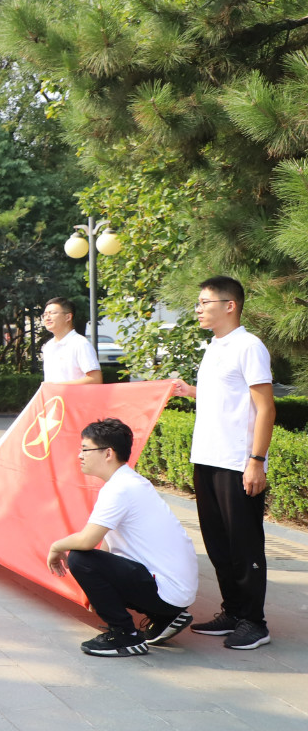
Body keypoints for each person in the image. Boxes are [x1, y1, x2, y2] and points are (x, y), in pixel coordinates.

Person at [170, 275, 276, 650]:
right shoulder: (215, 346)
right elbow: (226, 396)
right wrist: (189, 391)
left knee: (244, 545)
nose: (198, 309)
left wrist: (256, 461)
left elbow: (266, 408)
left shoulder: (249, 346)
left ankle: (254, 622)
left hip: (237, 462)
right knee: (218, 544)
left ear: (229, 306)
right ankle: (232, 612)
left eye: (205, 302)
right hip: (207, 458)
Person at [46, 418, 199, 656]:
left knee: (79, 558)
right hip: (175, 590)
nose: (79, 455)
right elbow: (105, 548)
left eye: (85, 449)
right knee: (88, 562)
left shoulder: (120, 488)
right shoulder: (128, 482)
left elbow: (86, 541)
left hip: (167, 590)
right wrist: (96, 592)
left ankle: (125, 635)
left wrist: (56, 546)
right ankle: (164, 617)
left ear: (108, 453)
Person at [40, 297, 103, 384]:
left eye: (52, 313)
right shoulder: (49, 346)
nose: (47, 318)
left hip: (72, 393)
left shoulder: (80, 343)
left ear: (68, 317)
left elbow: (95, 379)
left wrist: (57, 386)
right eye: (45, 314)